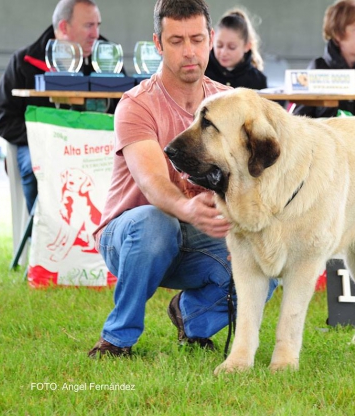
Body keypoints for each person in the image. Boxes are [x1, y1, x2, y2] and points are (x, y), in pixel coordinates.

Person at [87, 0, 277, 358]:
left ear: (210, 39)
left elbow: (257, 177)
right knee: (156, 221)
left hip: (200, 233)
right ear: (158, 43)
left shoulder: (229, 101)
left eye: (196, 39)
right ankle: (116, 339)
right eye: (176, 41)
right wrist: (187, 207)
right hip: (132, 235)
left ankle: (192, 320)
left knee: (267, 261)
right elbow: (151, 183)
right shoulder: (137, 105)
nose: (189, 52)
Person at [0, 0, 121, 215]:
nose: (96, 34)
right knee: (41, 167)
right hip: (38, 148)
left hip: (96, 148)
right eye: (89, 26)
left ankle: (104, 239)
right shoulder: (23, 62)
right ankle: (43, 240)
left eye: (98, 25)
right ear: (63, 28)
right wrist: (51, 140)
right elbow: (4, 119)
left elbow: (125, 109)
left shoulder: (106, 58)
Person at [205, 8, 267, 89]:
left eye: (232, 47)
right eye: (219, 45)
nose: (223, 52)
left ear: (247, 46)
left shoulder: (257, 80)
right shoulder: (203, 70)